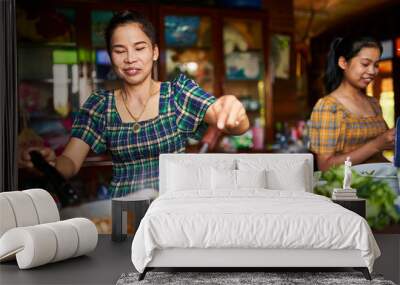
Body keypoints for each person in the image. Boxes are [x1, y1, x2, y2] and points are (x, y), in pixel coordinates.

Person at [19, 10, 250, 197]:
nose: (130, 58)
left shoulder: (177, 94)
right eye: (120, 51)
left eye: (140, 48)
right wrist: (47, 165)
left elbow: (232, 122)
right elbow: (69, 163)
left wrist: (233, 111)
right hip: (124, 217)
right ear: (111, 56)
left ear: (155, 52)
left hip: (174, 211)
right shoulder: (100, 106)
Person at [309, 36, 394, 171]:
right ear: (343, 63)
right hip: (349, 188)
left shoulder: (373, 103)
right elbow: (325, 166)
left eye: (376, 65)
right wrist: (376, 145)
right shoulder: (328, 107)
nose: (372, 71)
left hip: (380, 185)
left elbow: (385, 145)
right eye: (365, 64)